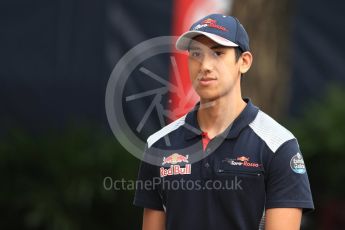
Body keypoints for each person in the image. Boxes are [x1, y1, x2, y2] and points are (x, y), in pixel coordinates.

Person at [133, 13, 314, 230]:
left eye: (218, 53)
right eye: (196, 54)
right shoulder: (159, 145)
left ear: (244, 62)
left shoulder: (279, 145)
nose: (205, 66)